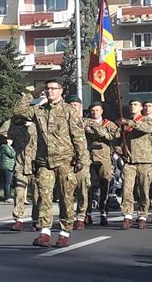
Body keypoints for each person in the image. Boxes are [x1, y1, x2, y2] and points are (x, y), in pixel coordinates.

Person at [14, 77, 89, 248]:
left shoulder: (69, 111)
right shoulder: (39, 110)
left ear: (61, 91)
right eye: (47, 89)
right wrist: (32, 93)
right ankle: (45, 232)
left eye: (53, 88)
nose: (50, 91)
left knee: (66, 198)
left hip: (65, 162)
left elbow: (79, 138)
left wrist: (81, 159)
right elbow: (18, 111)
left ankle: (64, 232)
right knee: (44, 197)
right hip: (44, 162)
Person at [116, 98, 152, 230]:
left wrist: (130, 123)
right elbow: (116, 140)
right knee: (127, 189)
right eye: (131, 104)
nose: (133, 107)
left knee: (143, 189)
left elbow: (148, 129)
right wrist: (121, 151)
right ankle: (127, 216)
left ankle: (142, 215)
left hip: (144, 160)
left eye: (136, 105)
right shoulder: (124, 123)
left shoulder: (146, 120)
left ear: (141, 107)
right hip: (129, 161)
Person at [84, 101, 118, 226]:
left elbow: (115, 135)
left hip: (104, 159)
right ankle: (87, 213)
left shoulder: (108, 124)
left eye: (97, 110)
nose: (95, 112)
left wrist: (101, 133)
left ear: (101, 111)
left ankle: (103, 212)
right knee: (88, 186)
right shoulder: (85, 122)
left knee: (105, 184)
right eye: (92, 110)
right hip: (88, 157)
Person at [5, 115, 39, 232]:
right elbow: (3, 132)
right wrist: (13, 118)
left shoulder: (37, 127)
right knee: (19, 194)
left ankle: (36, 220)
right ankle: (18, 220)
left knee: (36, 196)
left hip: (35, 166)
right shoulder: (16, 128)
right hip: (21, 165)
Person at [65, 95, 91, 230]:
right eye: (71, 105)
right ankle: (68, 216)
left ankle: (81, 216)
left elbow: (104, 132)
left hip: (82, 160)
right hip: (66, 160)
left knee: (83, 189)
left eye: (76, 105)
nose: (73, 107)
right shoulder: (61, 121)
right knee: (66, 191)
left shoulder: (86, 122)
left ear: (81, 107)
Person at [0, 137, 16, 203]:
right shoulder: (5, 147)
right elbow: (12, 155)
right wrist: (17, 152)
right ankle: (7, 197)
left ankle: (8, 196)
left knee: (9, 182)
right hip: (6, 166)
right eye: (10, 139)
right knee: (7, 182)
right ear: (7, 140)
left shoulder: (11, 147)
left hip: (10, 166)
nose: (12, 141)